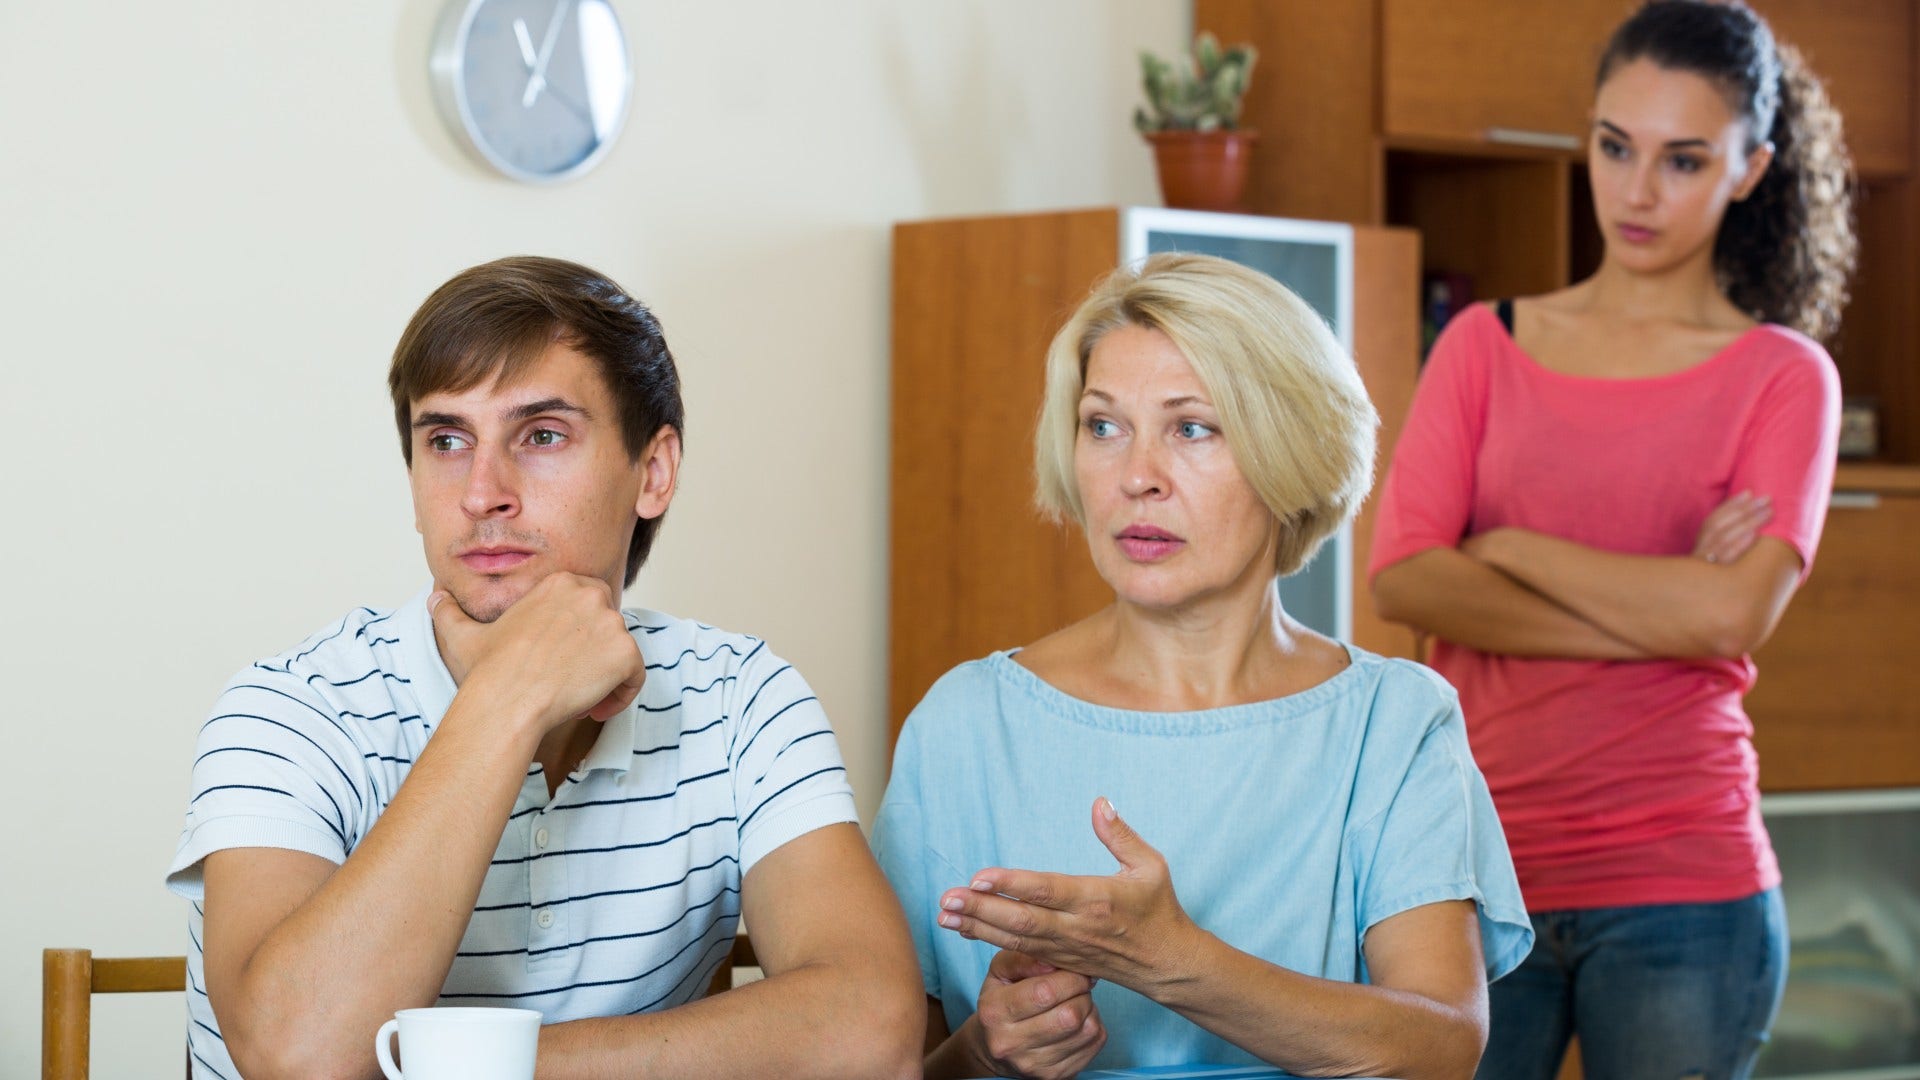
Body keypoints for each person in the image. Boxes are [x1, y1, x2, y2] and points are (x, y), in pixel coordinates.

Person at [165, 256, 923, 1080]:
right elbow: (299, 1055)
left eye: (542, 435)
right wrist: (509, 697)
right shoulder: (289, 710)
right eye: (447, 440)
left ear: (654, 472)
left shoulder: (743, 698)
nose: (483, 491)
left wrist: (483, 1067)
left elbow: (873, 1032)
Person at [872, 252, 1533, 1080]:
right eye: (1103, 426)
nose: (1136, 478)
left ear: (1291, 451)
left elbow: (1439, 1051)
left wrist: (1172, 961)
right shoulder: (967, 723)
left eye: (1192, 428)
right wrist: (988, 1052)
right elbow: (898, 1065)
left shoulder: (1393, 721)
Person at [1368, 3, 1854, 1078]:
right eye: (1615, 147)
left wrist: (1506, 546)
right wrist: (1668, 609)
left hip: (1689, 881)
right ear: (1586, 137)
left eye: (1684, 160)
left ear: (1749, 167)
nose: (1637, 192)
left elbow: (1733, 615)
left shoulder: (1784, 378)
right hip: (1471, 876)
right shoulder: (1483, 348)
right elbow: (1404, 577)